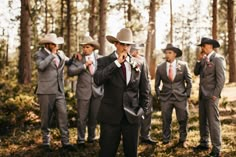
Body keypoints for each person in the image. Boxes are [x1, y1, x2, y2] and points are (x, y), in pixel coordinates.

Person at [94, 28, 150, 157]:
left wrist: (142, 111)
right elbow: (97, 80)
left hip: (132, 117)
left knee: (131, 153)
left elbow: (145, 90)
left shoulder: (140, 63)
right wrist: (117, 63)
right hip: (110, 116)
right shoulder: (104, 61)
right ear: (116, 44)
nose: (125, 47)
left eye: (128, 44)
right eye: (122, 44)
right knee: (107, 152)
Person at [34, 33, 76, 152]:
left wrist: (75, 57)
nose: (57, 46)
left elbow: (68, 62)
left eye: (57, 44)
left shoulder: (61, 53)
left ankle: (66, 142)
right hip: (45, 91)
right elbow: (41, 67)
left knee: (63, 115)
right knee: (45, 118)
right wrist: (51, 55)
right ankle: (46, 143)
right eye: (54, 44)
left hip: (59, 90)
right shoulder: (39, 54)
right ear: (48, 44)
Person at [67, 36, 103, 146]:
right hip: (83, 92)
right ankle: (81, 139)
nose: (85, 49)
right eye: (83, 47)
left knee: (94, 117)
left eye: (87, 47)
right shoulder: (79, 59)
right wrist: (84, 65)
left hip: (97, 92)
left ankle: (91, 137)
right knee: (82, 118)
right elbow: (71, 71)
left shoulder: (100, 58)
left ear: (93, 48)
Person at [155, 44, 192, 148]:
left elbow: (189, 81)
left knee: (183, 119)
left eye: (169, 53)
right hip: (165, 98)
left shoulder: (183, 65)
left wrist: (187, 95)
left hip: (180, 97)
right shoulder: (160, 67)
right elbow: (157, 84)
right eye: (166, 53)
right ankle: (166, 139)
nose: (167, 55)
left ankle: (183, 140)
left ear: (175, 54)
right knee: (166, 119)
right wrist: (159, 96)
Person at [193, 37, 226, 157]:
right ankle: (204, 143)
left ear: (210, 46)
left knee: (213, 122)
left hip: (212, 96)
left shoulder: (218, 59)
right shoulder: (203, 59)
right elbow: (196, 72)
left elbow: (221, 79)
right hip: (202, 95)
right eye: (201, 46)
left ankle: (216, 149)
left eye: (203, 45)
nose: (202, 48)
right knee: (203, 121)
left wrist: (215, 95)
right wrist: (198, 60)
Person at [130, 44, 157, 145]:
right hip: (133, 92)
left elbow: (147, 75)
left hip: (145, 91)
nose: (137, 52)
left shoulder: (142, 59)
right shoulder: (126, 60)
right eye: (135, 50)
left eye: (137, 50)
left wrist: (148, 89)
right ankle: (133, 137)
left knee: (147, 113)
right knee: (133, 114)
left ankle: (146, 136)